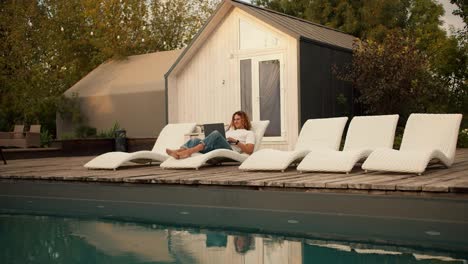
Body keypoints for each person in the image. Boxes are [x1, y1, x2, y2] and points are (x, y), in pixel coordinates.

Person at [166, 111, 255, 159]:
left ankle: (189, 151)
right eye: (234, 119)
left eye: (238, 119)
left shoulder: (249, 133)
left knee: (216, 133)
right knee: (195, 140)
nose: (235, 121)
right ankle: (177, 152)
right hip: (216, 147)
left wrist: (236, 141)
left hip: (230, 150)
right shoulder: (229, 131)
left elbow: (249, 150)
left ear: (244, 120)